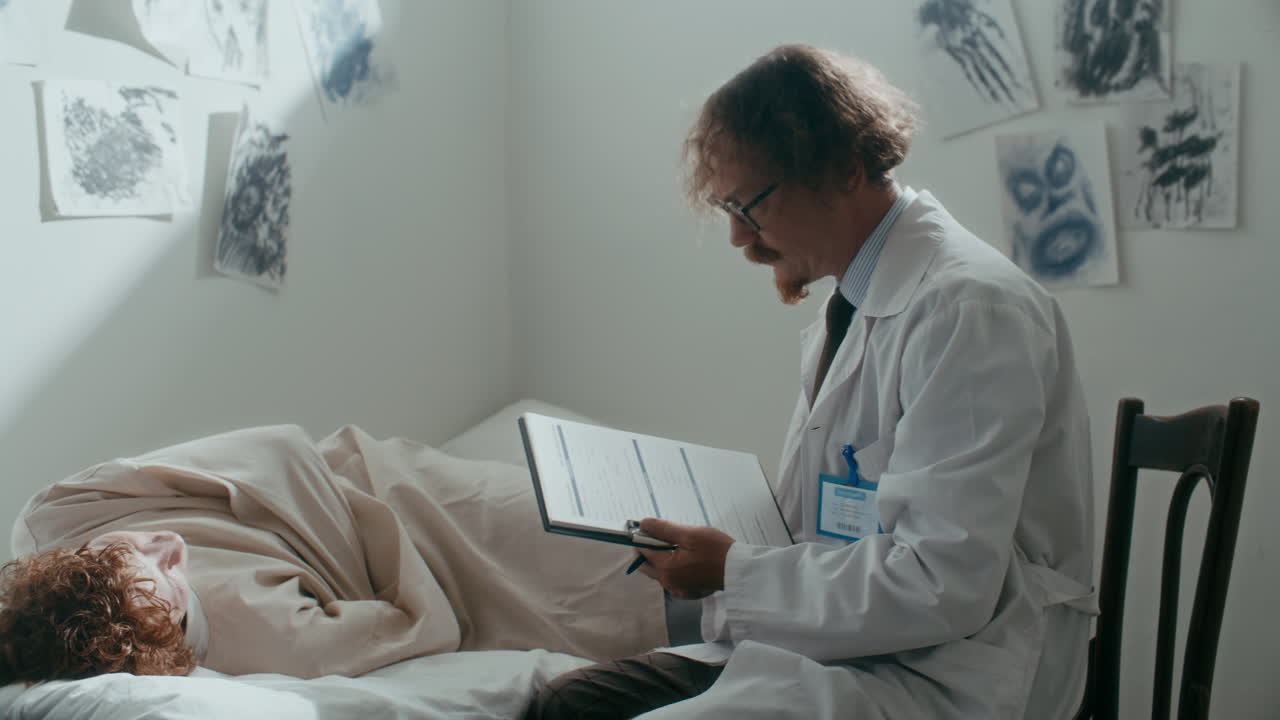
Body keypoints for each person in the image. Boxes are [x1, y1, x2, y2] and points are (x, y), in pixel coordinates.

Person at [523, 44, 1097, 720]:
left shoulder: (968, 307)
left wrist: (732, 570)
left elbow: (944, 582)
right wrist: (719, 556)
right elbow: (838, 524)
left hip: (953, 674)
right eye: (728, 209)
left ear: (844, 170)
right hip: (864, 650)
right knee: (568, 708)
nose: (740, 238)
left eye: (750, 205)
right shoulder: (854, 305)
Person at [1, 423, 668, 685]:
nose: (166, 544)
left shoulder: (53, 516)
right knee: (627, 574)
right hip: (428, 558)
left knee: (611, 502)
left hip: (370, 474)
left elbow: (263, 451)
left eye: (124, 552)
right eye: (168, 579)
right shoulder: (269, 643)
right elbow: (425, 625)